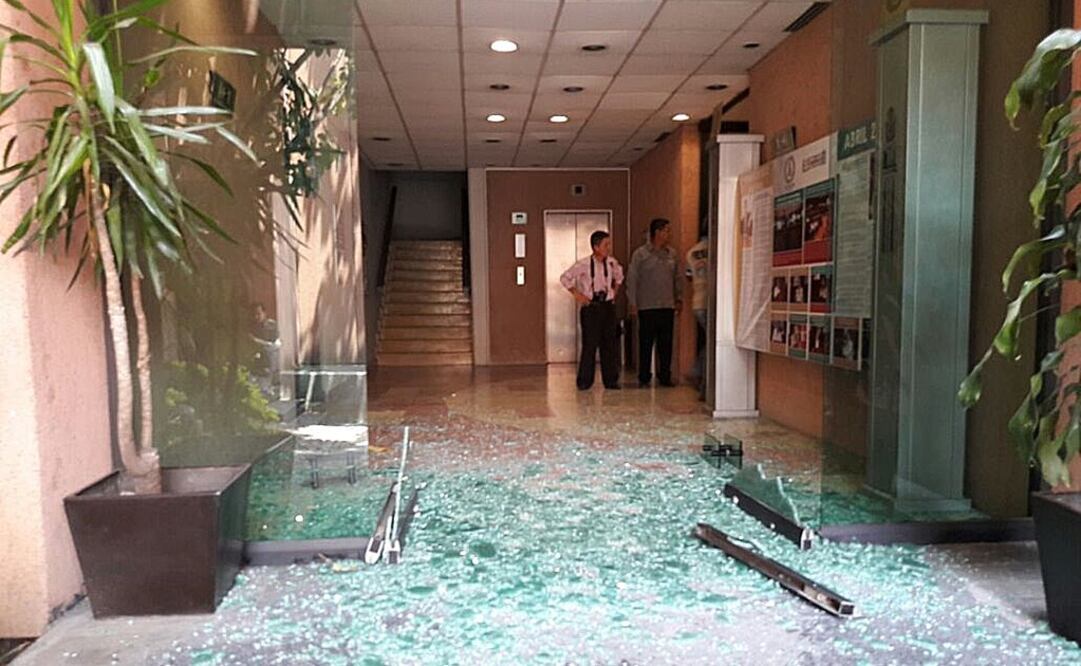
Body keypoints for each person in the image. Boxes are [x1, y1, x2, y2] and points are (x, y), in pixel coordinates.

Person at [560, 230, 624, 391]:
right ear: (596, 247)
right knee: (590, 344)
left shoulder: (611, 263)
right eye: (605, 244)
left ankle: (611, 380)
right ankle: (584, 381)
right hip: (591, 307)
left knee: (609, 344)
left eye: (609, 244)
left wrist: (614, 292)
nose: (608, 248)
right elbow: (565, 278)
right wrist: (578, 295)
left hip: (607, 306)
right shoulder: (583, 264)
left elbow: (620, 277)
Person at [627, 218, 682, 387]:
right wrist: (633, 302)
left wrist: (678, 298)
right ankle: (644, 376)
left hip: (667, 305)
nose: (668, 234)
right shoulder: (640, 254)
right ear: (657, 232)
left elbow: (677, 278)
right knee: (646, 343)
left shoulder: (672, 254)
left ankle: (664, 376)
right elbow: (632, 279)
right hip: (647, 306)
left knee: (666, 344)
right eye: (666, 230)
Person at [685, 233, 709, 393]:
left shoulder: (691, 253)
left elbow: (688, 277)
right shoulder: (715, 248)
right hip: (710, 301)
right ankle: (699, 373)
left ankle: (698, 372)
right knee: (713, 342)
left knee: (709, 340)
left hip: (697, 301)